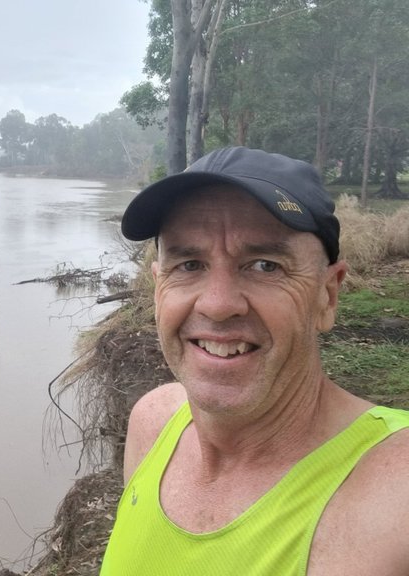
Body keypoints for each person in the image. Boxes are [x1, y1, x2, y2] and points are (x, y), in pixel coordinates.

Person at [100, 146, 409, 575]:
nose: (218, 304)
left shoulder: (396, 495)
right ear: (157, 288)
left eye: (265, 265)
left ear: (328, 294)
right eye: (189, 264)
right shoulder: (153, 422)